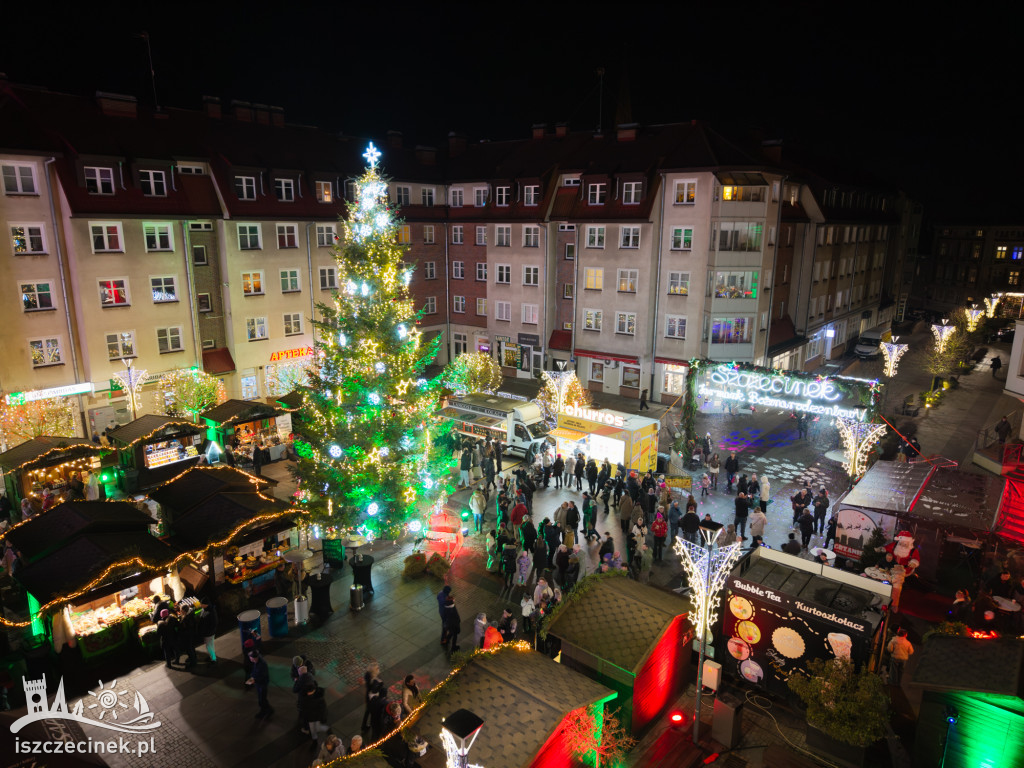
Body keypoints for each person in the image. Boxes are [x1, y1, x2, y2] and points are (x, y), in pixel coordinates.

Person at [250, 649, 273, 719]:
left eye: (251, 657)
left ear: (254, 658)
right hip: (259, 684)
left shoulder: (262, 664)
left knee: (262, 699)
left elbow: (263, 676)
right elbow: (255, 671)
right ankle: (267, 710)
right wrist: (253, 677)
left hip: (262, 684)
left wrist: (255, 680)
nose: (250, 658)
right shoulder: (257, 662)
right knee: (262, 699)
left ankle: (265, 711)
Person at [361, 661, 381, 730]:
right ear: (373, 670)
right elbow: (374, 690)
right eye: (377, 668)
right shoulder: (373, 680)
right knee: (372, 712)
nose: (378, 669)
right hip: (372, 698)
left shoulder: (369, 676)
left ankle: (364, 726)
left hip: (369, 697)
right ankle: (372, 725)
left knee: (368, 711)